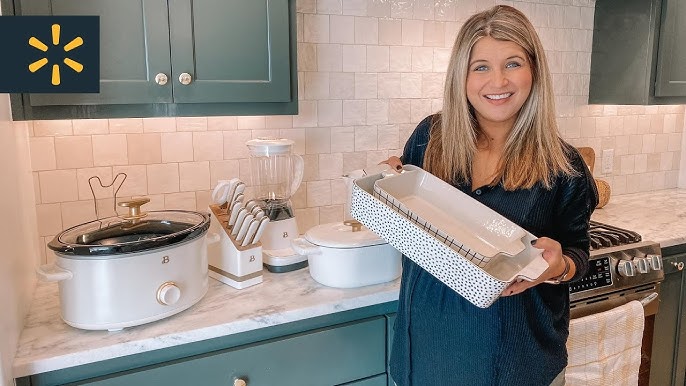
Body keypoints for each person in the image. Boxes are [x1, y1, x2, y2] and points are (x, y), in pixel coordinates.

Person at [382, 5, 598, 386]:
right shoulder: (430, 139)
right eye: (480, 66)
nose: (497, 81)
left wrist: (558, 266)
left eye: (512, 63)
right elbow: (408, 229)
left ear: (534, 70)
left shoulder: (565, 167)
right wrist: (386, 189)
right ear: (461, 77)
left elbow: (579, 253)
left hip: (519, 365)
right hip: (425, 355)